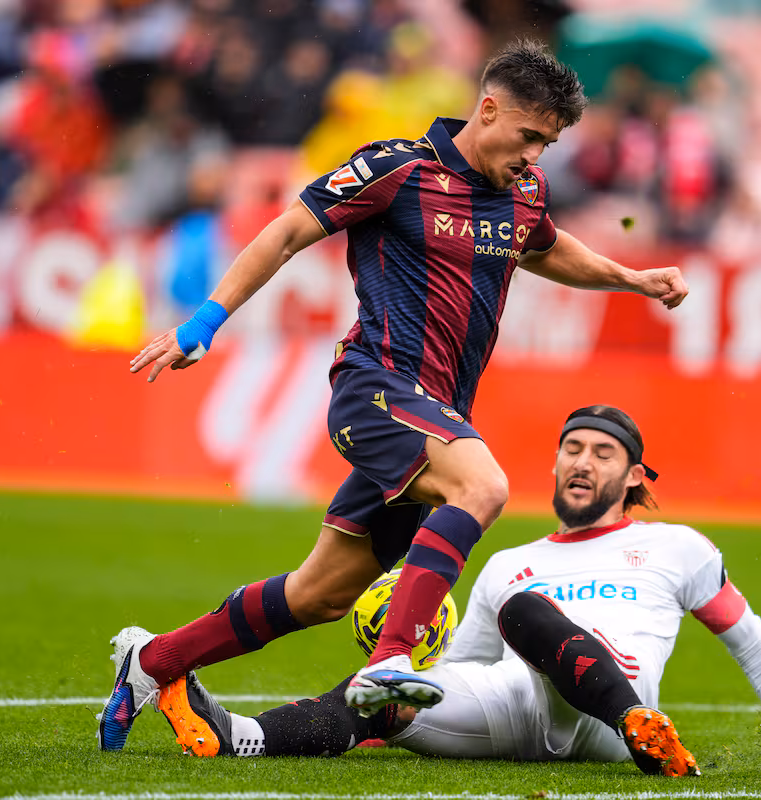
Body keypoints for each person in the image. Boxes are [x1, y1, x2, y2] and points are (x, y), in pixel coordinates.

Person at [102, 39, 689, 751]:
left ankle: (154, 659)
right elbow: (288, 230)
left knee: (320, 592)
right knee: (482, 487)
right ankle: (390, 661)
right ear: (488, 108)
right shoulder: (398, 169)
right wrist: (205, 321)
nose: (536, 154)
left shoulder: (523, 192)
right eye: (529, 135)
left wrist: (630, 278)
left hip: (436, 415)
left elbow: (546, 246)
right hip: (376, 388)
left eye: (549, 142)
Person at [150, 405, 761, 776]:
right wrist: (386, 702)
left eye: (603, 454)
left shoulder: (678, 546)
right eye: (572, 448)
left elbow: (749, 636)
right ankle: (239, 737)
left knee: (528, 611)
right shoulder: (508, 558)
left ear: (634, 476)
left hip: (608, 718)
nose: (582, 462)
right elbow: (454, 672)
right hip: (516, 711)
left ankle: (645, 732)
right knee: (393, 682)